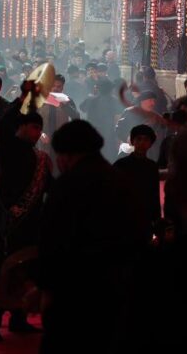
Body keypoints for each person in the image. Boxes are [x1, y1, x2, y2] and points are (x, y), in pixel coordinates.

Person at [40, 120, 151, 353]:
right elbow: (140, 231)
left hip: (73, 288)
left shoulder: (66, 185)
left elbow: (52, 241)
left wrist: (46, 287)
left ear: (66, 155)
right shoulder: (120, 180)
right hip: (117, 284)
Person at [0, 91, 51, 342]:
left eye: (39, 128)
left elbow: (48, 186)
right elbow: (5, 123)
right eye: (33, 127)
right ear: (20, 128)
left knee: (25, 271)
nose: (37, 133)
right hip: (6, 222)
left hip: (30, 223)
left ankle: (19, 319)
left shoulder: (39, 157)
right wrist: (21, 99)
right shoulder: (10, 148)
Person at [113, 125, 162, 236]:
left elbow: (154, 195)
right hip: (124, 218)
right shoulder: (120, 165)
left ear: (150, 143)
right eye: (139, 139)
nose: (142, 143)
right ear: (133, 141)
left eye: (146, 139)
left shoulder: (152, 167)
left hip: (145, 219)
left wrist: (157, 221)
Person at [38, 74, 79, 171]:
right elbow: (30, 120)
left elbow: (76, 117)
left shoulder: (67, 100)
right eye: (53, 86)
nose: (55, 88)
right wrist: (40, 133)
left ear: (62, 87)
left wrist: (65, 105)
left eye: (58, 86)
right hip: (43, 142)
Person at [116, 91, 165, 161]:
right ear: (142, 101)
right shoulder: (130, 112)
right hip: (131, 152)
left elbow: (162, 131)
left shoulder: (156, 116)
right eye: (150, 100)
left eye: (154, 101)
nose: (153, 103)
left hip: (150, 153)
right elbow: (119, 129)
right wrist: (127, 138)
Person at [79, 78, 120, 161]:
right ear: (111, 89)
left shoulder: (90, 99)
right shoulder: (114, 100)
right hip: (108, 134)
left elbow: (82, 108)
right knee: (108, 157)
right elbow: (118, 118)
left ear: (98, 88)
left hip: (92, 132)